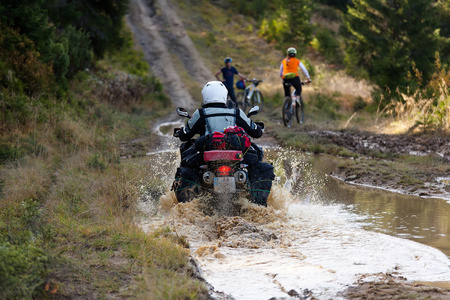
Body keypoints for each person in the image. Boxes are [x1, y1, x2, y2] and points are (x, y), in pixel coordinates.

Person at [173, 81, 274, 206]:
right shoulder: (236, 112)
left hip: (207, 157)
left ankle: (187, 205)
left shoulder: (200, 113)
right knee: (259, 161)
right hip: (236, 158)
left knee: (188, 163)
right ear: (224, 95)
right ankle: (257, 204)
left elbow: (184, 135)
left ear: (205, 96)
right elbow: (257, 132)